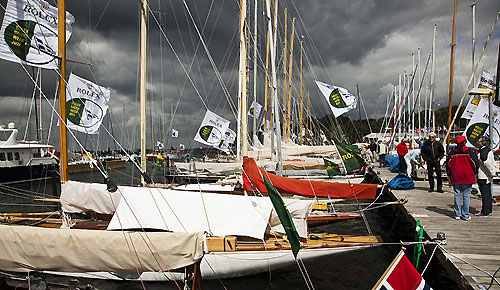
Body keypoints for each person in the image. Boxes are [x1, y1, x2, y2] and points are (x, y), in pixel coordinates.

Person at [446, 135, 479, 221]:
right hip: (467, 176)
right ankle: (465, 215)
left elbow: (448, 165)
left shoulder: (452, 152)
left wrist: (449, 174)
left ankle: (457, 214)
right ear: (464, 142)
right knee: (466, 196)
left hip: (456, 176)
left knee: (457, 195)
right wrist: (474, 172)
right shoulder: (469, 151)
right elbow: (475, 164)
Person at [476, 136, 496, 217]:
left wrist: (492, 173)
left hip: (484, 176)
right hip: (484, 175)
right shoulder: (486, 150)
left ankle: (486, 211)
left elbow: (486, 162)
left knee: (485, 195)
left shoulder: (484, 151)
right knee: (485, 194)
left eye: (480, 141)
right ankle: (485, 210)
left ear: (483, 143)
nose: (478, 142)